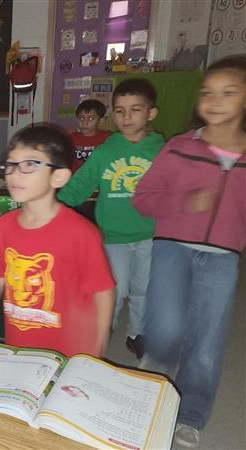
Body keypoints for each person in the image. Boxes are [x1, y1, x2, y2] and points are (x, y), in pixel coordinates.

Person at [132, 54, 246, 448]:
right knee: (163, 331)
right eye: (207, 92)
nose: (214, 100)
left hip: (222, 258)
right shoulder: (180, 147)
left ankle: (191, 415)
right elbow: (143, 199)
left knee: (207, 342)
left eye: (228, 93)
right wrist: (184, 204)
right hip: (172, 248)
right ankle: (150, 391)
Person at [0, 125, 115, 357]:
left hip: (68, 350)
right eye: (10, 164)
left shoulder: (80, 233)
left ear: (59, 176)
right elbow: (0, 274)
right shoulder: (3, 226)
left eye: (30, 165)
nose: (14, 173)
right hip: (18, 343)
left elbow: (102, 290)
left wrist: (98, 342)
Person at [58, 79, 165, 358]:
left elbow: (174, 188)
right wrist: (53, 207)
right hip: (113, 236)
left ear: (151, 113)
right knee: (114, 290)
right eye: (119, 111)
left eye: (135, 110)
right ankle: (103, 330)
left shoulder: (161, 150)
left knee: (144, 289)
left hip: (150, 235)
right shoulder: (106, 151)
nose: (126, 117)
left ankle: (136, 333)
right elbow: (80, 185)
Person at [70, 99, 111, 173]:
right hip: (76, 180)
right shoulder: (71, 138)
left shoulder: (108, 138)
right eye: (81, 118)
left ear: (101, 120)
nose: (85, 122)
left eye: (91, 118)